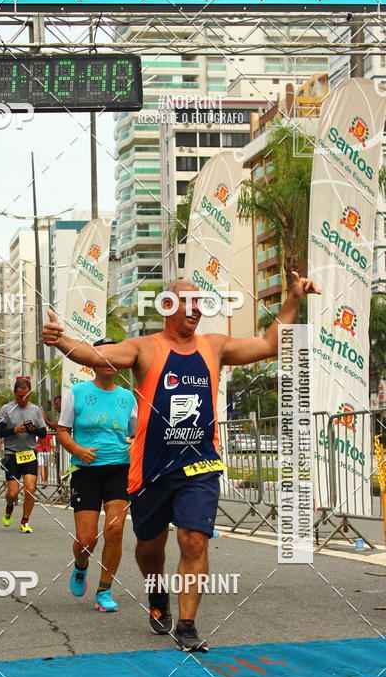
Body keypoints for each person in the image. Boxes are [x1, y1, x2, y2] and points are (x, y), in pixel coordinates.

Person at [44, 273, 321, 651]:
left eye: (199, 302)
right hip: (151, 469)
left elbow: (270, 344)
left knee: (193, 539)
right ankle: (157, 593)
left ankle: (188, 625)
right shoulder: (144, 348)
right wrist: (61, 341)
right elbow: (95, 356)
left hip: (200, 465)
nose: (195, 309)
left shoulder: (214, 346)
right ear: (167, 306)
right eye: (186, 302)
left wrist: (293, 299)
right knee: (149, 547)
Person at [56, 338, 137, 612]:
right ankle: (81, 565)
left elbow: (137, 433)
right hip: (86, 472)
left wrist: (134, 443)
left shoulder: (127, 398)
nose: (109, 361)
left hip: (119, 469)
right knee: (86, 540)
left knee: (114, 530)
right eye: (103, 355)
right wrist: (78, 449)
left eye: (115, 355)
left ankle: (104, 590)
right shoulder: (77, 393)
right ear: (92, 361)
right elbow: (62, 431)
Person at [0, 378, 47, 533]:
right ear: (14, 394)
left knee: (30, 489)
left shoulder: (35, 410)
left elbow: (43, 433)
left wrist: (33, 430)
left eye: (26, 396)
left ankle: (25, 521)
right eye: (20, 396)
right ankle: (9, 506)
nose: (23, 399)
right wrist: (14, 430)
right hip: (12, 455)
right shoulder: (6, 409)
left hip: (30, 454)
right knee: (13, 493)